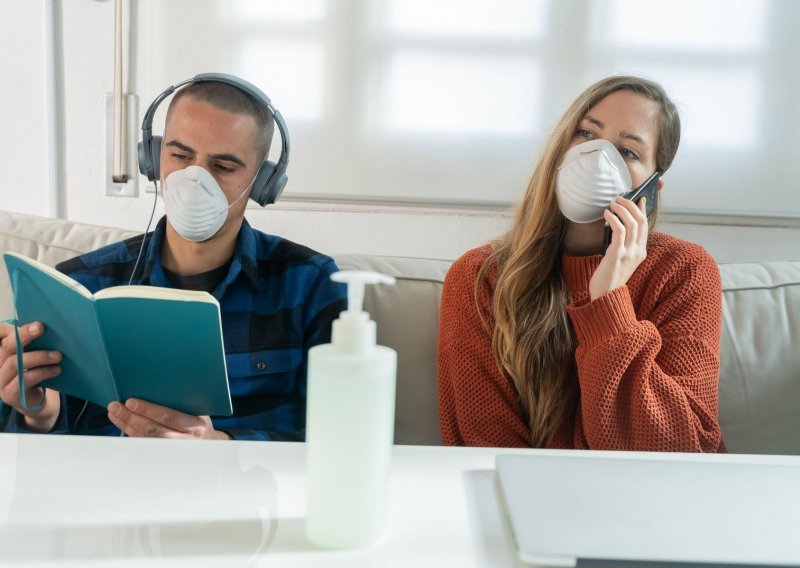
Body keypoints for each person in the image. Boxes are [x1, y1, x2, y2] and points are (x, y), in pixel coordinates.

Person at [0, 75, 346, 440]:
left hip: (243, 496)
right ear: (152, 157)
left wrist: (221, 450)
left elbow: (342, 439)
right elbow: (37, 465)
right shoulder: (78, 283)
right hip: (106, 493)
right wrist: (38, 414)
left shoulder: (311, 286)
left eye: (223, 167)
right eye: (180, 155)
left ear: (263, 183)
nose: (194, 179)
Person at [438, 75, 725, 452]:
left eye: (628, 151)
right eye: (587, 135)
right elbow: (484, 445)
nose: (597, 157)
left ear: (652, 189)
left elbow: (687, 450)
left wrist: (608, 302)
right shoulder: (480, 278)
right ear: (560, 148)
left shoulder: (684, 271)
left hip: (652, 502)